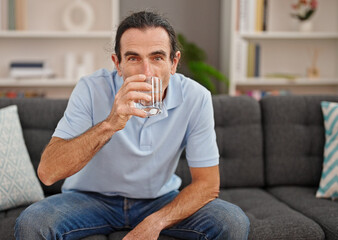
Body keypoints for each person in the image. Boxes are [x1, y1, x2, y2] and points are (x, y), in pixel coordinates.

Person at [15, 11, 249, 240]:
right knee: (32, 223)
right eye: (133, 58)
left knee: (232, 222)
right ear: (118, 63)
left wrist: (155, 222)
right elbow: (48, 173)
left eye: (157, 57)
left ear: (173, 62)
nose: (147, 73)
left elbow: (208, 185)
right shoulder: (90, 89)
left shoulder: (196, 98)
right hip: (91, 199)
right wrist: (110, 123)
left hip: (159, 200)